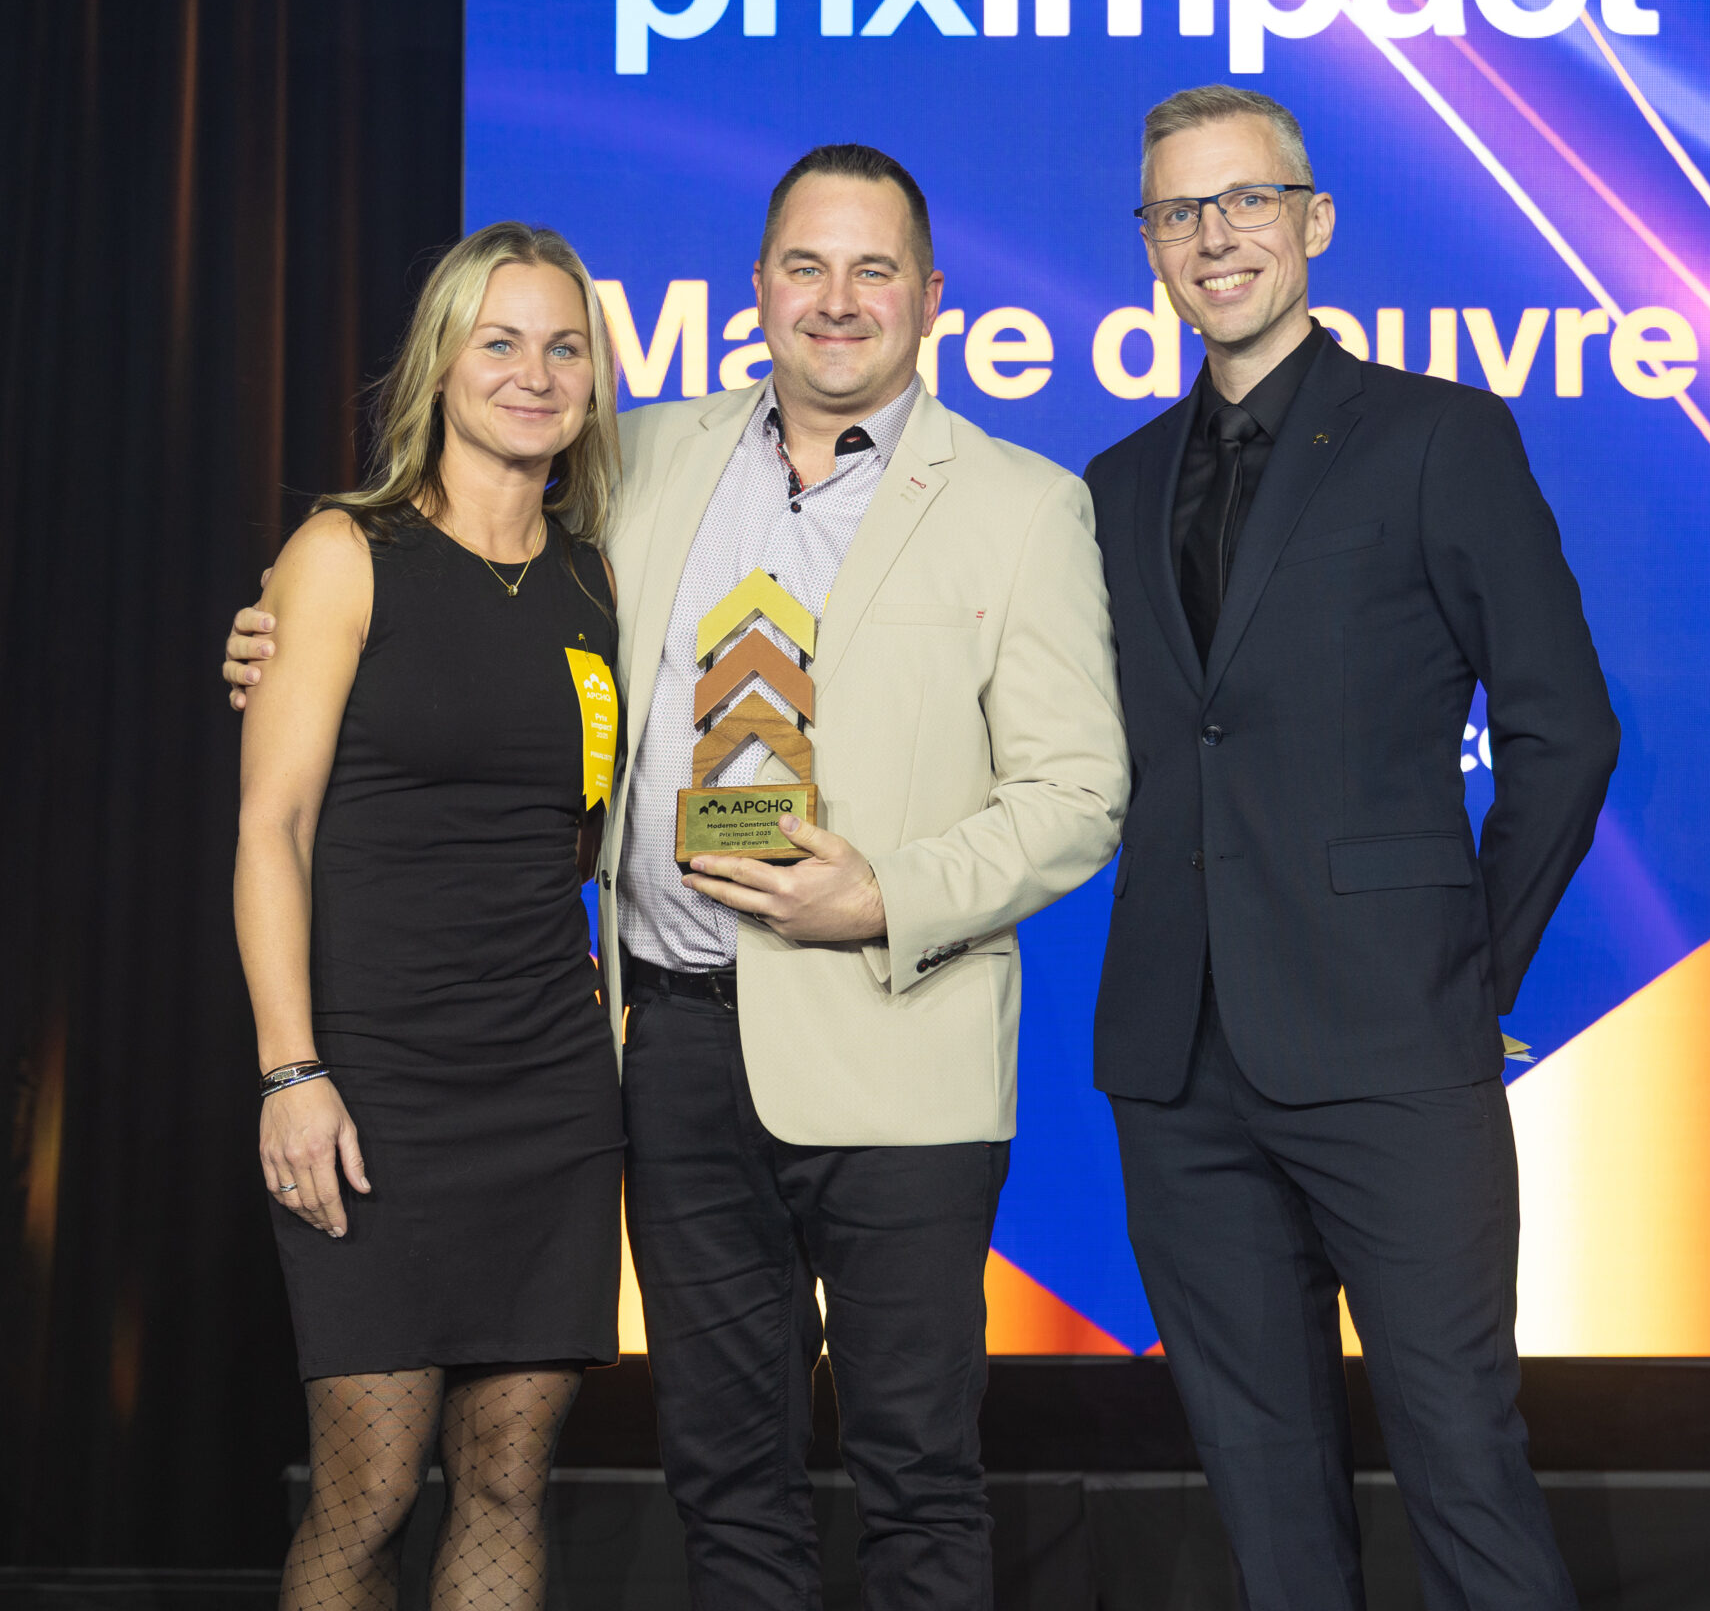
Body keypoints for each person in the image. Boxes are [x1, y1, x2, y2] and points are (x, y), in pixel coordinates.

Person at [229, 145, 1130, 1610]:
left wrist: (885, 893)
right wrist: (274, 637)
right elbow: (446, 598)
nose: (836, 302)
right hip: (668, 1056)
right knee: (725, 1477)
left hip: (896, 1050)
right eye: (804, 266)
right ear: (755, 288)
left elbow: (1081, 793)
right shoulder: (637, 460)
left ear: (932, 299)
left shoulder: (1024, 506)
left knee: (913, 1467)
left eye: (874, 269)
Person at [1083, 86, 1619, 1611]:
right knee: (1266, 1500)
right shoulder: (1116, 490)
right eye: (1180, 212)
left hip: (1395, 1046)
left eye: (1245, 201)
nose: (1215, 236)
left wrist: (1468, 972)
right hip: (1177, 1069)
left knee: (1463, 1464)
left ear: (1313, 223)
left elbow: (1566, 733)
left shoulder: (1441, 437)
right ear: (1152, 249)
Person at [234, 222, 627, 1608]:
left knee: (511, 1480)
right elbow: (270, 831)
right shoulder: (346, 553)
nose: (534, 372)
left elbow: (582, 831)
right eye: (501, 342)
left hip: (552, 1085)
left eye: (563, 345)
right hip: (375, 1083)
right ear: (442, 367)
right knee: (371, 1488)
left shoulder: (597, 580)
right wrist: (292, 1070)